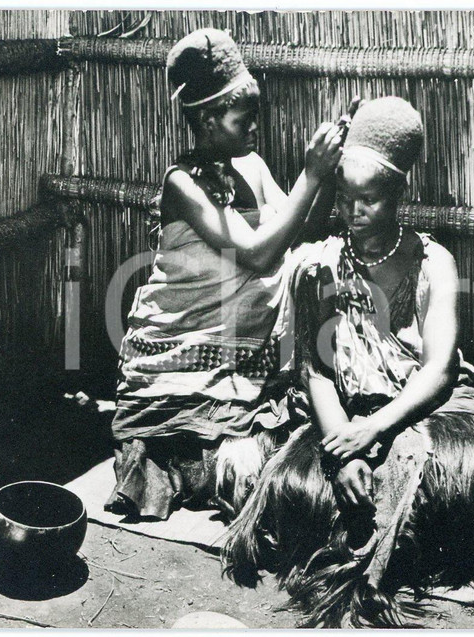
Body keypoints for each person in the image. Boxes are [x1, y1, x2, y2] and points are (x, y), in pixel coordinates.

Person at [222, 97, 474, 627]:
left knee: (465, 479)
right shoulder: (320, 267)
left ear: (400, 194)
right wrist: (342, 448)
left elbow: (440, 372)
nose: (353, 212)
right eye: (343, 196)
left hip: (427, 405)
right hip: (351, 407)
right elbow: (315, 370)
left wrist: (374, 430)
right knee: (302, 491)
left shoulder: (434, 263)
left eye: (370, 199)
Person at [104, 28, 345, 521]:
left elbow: (299, 229)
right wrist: (311, 175)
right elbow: (257, 255)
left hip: (242, 355)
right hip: (181, 360)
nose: (255, 128)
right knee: (229, 458)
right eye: (243, 119)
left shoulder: (251, 165)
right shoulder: (183, 184)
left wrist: (329, 167)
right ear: (208, 120)